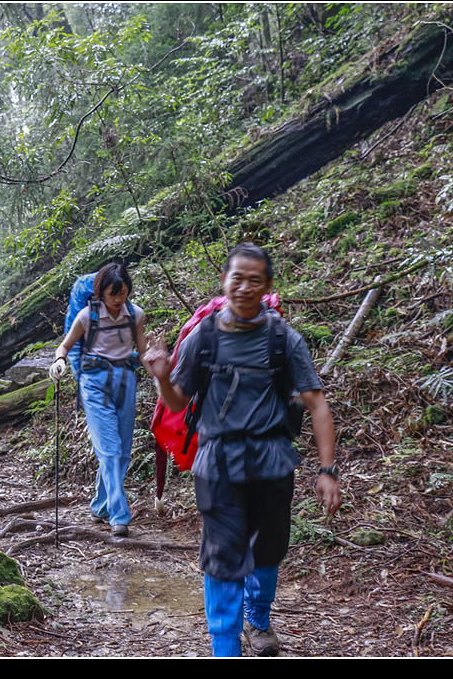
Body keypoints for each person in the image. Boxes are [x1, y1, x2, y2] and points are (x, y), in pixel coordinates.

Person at [143, 243, 342, 657]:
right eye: (238, 278)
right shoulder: (204, 336)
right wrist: (162, 377)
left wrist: (328, 471)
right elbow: (179, 401)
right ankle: (224, 645)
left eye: (255, 280)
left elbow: (317, 403)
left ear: (267, 285)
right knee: (221, 555)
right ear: (225, 282)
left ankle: (259, 616)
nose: (245, 287)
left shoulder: (283, 339)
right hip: (217, 462)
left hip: (272, 461)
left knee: (268, 551)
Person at [48, 263, 149, 538]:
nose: (118, 299)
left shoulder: (135, 315)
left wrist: (163, 381)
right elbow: (65, 346)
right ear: (100, 293)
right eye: (112, 294)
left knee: (123, 452)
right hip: (94, 384)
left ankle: (101, 505)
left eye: (123, 292)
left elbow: (142, 353)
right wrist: (59, 362)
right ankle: (119, 515)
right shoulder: (87, 316)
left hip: (126, 382)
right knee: (110, 450)